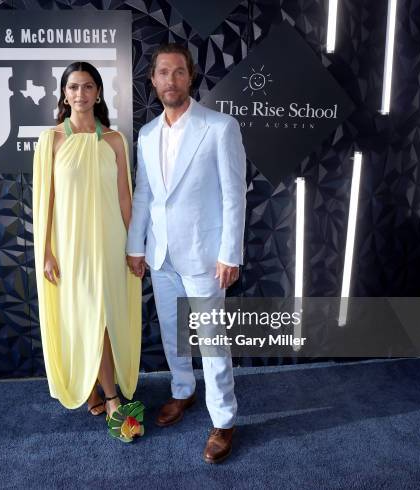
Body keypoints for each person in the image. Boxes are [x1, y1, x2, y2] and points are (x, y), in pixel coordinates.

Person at [126, 44, 247, 462]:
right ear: (153, 80)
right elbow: (143, 195)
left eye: (178, 72)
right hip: (161, 255)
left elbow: (235, 196)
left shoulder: (219, 127)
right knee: (174, 333)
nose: (171, 80)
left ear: (190, 77)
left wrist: (230, 253)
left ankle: (224, 420)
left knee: (212, 340)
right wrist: (135, 246)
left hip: (205, 255)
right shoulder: (145, 134)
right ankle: (183, 391)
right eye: (163, 72)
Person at [32, 62, 144, 441]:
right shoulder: (51, 140)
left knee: (106, 314)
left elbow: (125, 198)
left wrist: (135, 246)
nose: (81, 94)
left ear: (98, 93)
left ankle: (106, 393)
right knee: (83, 315)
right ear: (64, 94)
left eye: (88, 87)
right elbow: (44, 200)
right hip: (70, 245)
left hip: (110, 243)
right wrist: (46, 250)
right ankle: (104, 393)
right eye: (74, 87)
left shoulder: (114, 140)